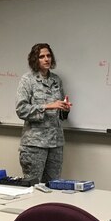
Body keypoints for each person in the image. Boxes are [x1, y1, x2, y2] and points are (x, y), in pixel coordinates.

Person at [15, 43, 72, 183]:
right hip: (35, 144)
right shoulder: (27, 80)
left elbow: (59, 111)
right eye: (42, 57)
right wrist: (46, 106)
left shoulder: (56, 80)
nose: (46, 59)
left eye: (48, 55)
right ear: (35, 60)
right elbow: (21, 109)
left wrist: (65, 110)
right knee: (33, 187)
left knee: (54, 186)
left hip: (55, 142)